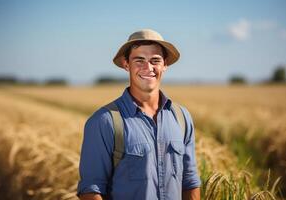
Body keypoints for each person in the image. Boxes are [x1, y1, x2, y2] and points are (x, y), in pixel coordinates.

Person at [77, 29, 201, 200]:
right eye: (139, 60)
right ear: (126, 64)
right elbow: (91, 190)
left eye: (155, 60)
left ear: (165, 65)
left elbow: (190, 181)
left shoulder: (181, 117)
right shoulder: (104, 121)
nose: (148, 68)